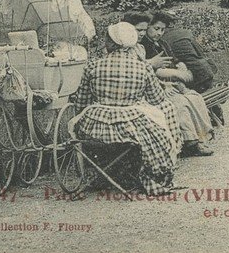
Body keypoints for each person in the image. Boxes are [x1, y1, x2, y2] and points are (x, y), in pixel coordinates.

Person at [70, 23, 183, 194]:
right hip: (129, 128)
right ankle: (148, 172)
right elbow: (157, 99)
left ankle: (104, 173)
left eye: (107, 39)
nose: (105, 42)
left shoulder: (93, 65)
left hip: (95, 128)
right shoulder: (142, 67)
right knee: (162, 115)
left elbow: (81, 103)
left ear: (114, 43)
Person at [123, 12, 215, 157]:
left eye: (162, 30)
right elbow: (149, 72)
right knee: (180, 103)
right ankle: (190, 141)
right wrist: (167, 81)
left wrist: (180, 66)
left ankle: (202, 136)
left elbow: (173, 60)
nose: (159, 33)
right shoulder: (141, 47)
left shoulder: (158, 44)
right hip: (151, 89)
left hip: (165, 84)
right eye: (156, 29)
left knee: (194, 97)